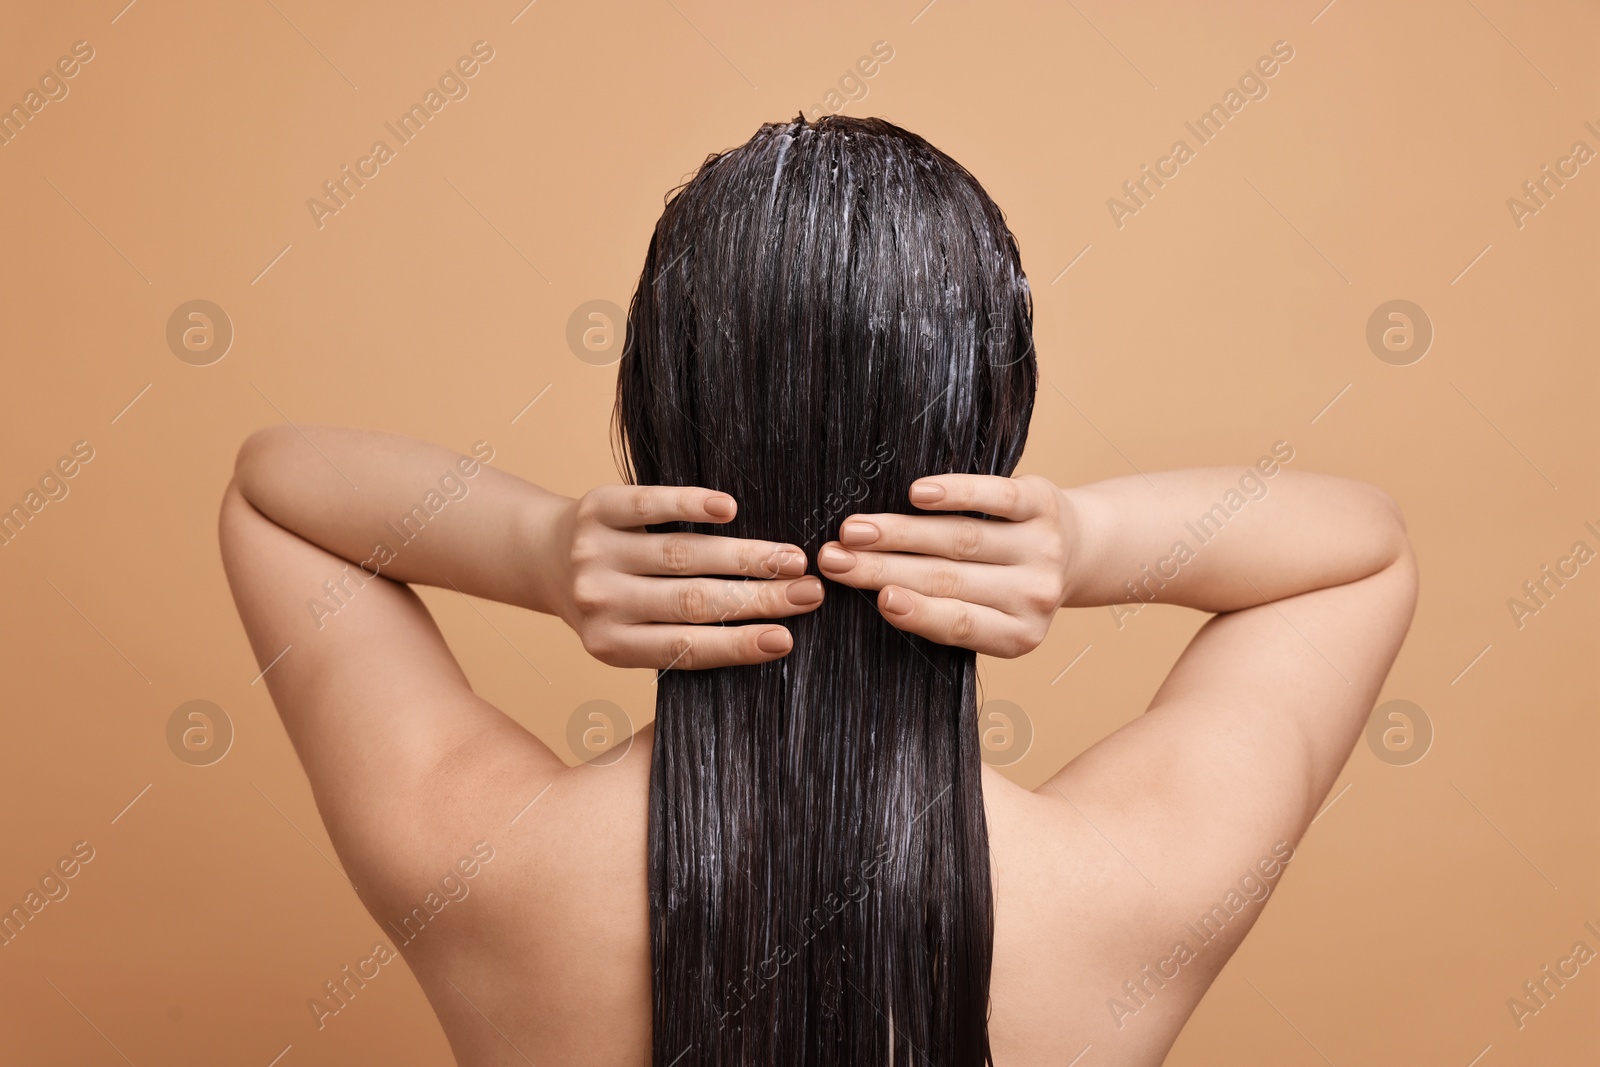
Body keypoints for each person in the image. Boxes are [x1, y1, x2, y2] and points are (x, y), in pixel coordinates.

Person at [219, 116, 1417, 1066]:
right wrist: (1088, 543)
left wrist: (536, 551)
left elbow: (275, 492)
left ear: (654, 403)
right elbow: (1361, 547)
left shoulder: (488, 864)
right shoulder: (1133, 885)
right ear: (991, 414)